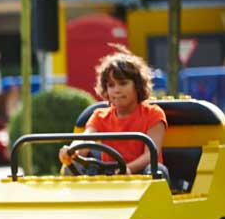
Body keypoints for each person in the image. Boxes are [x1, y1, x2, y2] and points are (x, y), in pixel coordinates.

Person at [59, 45, 167, 177]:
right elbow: (85, 140)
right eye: (111, 85)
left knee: (157, 170)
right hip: (110, 176)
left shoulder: (153, 114)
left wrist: (128, 169)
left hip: (141, 175)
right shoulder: (100, 116)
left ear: (137, 85)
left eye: (123, 83)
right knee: (71, 166)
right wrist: (71, 150)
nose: (116, 90)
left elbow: (150, 155)